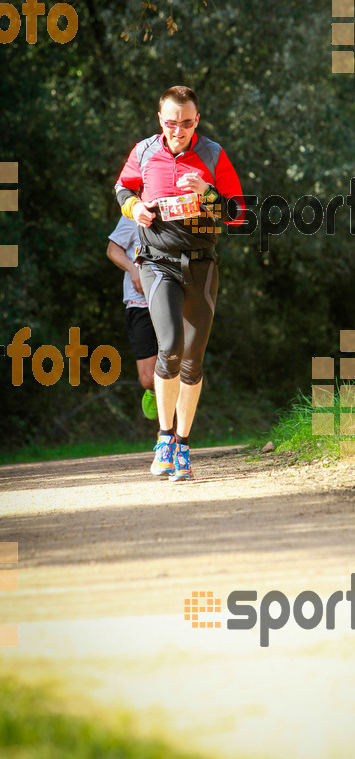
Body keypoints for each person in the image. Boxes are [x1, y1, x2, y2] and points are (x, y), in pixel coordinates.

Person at [115, 85, 243, 481]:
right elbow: (123, 187)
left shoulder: (213, 154)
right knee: (169, 347)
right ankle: (164, 438)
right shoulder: (144, 151)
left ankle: (184, 445)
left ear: (197, 121)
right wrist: (137, 208)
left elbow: (238, 213)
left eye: (187, 123)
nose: (178, 130)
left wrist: (208, 194)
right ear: (160, 120)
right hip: (157, 263)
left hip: (201, 265)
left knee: (193, 359)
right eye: (171, 123)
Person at [106, 215, 158, 420]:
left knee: (176, 370)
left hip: (172, 302)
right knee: (148, 379)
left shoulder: (174, 209)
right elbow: (113, 250)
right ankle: (155, 392)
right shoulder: (132, 214)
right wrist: (133, 270)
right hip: (140, 303)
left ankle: (170, 434)